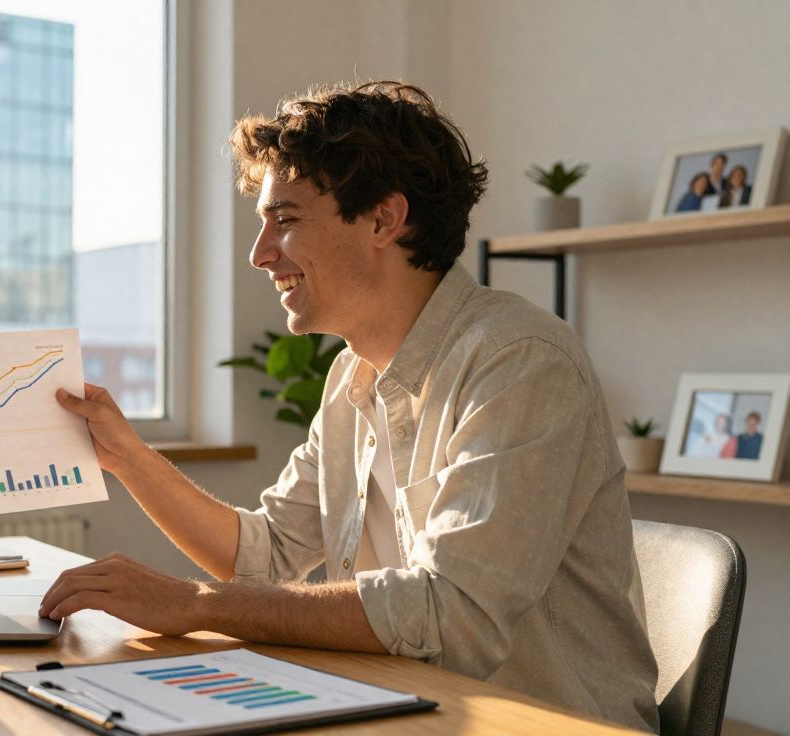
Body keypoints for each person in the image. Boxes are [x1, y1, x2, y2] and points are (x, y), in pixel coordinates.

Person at [42, 82, 659, 731]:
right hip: (398, 705)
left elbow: (451, 612)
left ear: (383, 220)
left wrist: (198, 604)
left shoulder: (520, 360)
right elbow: (266, 555)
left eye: (285, 219)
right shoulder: (350, 378)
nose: (260, 254)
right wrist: (129, 456)